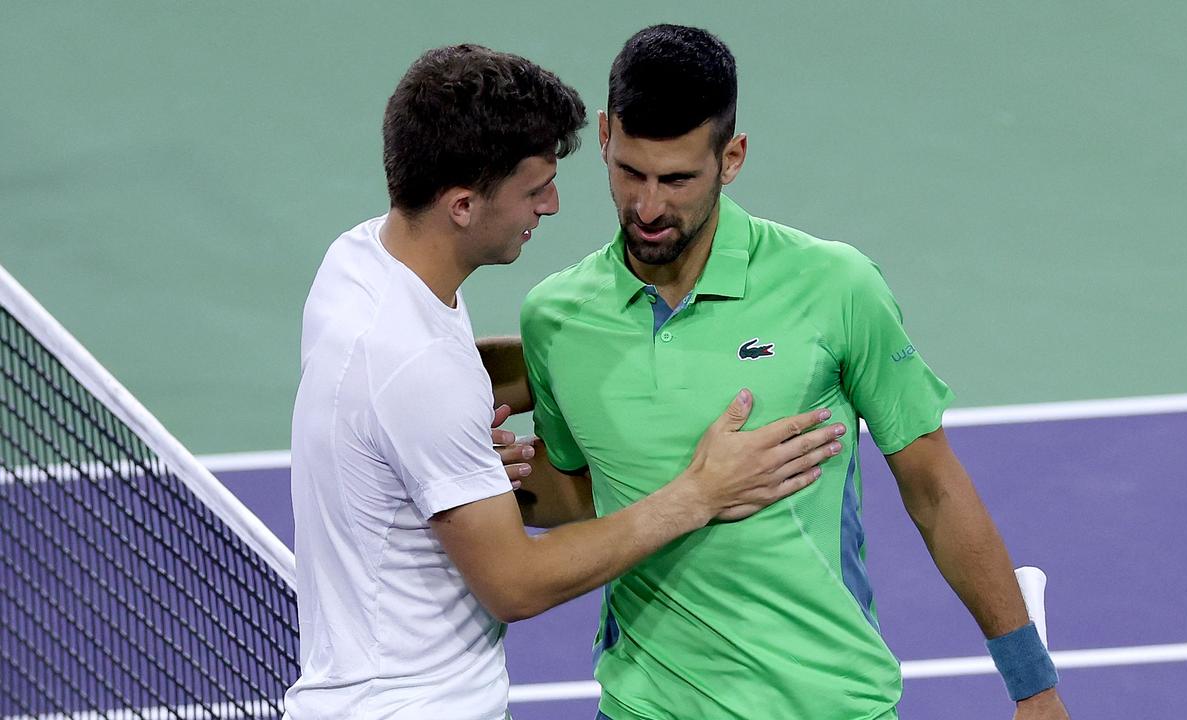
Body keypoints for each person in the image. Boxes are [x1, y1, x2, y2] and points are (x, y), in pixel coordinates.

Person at [512, 25, 1070, 720]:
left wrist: (1034, 687)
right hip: (643, 706)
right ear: (603, 137)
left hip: (827, 703)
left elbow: (935, 490)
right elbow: (581, 489)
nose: (649, 207)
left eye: (678, 179)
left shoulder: (835, 287)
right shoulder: (556, 319)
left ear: (732, 157)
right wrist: (462, 472)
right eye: (630, 172)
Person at [283, 43, 846, 720]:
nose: (550, 205)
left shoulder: (360, 263)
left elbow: (421, 387)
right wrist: (699, 494)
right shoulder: (418, 372)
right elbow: (514, 586)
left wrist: (593, 354)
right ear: (463, 204)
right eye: (534, 189)